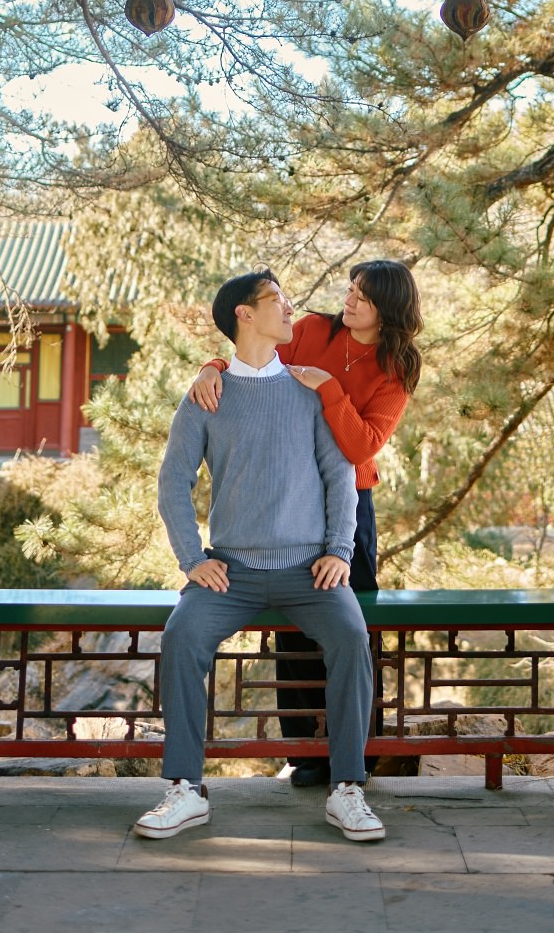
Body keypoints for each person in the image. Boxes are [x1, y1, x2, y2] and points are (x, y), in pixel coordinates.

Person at [133, 268, 385, 844]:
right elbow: (173, 482)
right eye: (277, 300)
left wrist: (339, 552)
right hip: (232, 573)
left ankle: (348, 788)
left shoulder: (312, 391)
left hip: (309, 572)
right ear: (245, 315)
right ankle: (185, 790)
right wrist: (191, 558)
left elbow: (339, 476)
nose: (291, 306)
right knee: (181, 639)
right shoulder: (206, 395)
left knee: (351, 639)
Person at [189, 258, 423, 786]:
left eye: (363, 296)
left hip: (350, 507)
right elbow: (255, 359)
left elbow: (363, 443)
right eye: (352, 289)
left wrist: (326, 388)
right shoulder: (314, 329)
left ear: (388, 308)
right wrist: (212, 367)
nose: (351, 300)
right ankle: (306, 752)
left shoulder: (397, 368)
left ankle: (358, 752)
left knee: (352, 626)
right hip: (290, 494)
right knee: (293, 630)